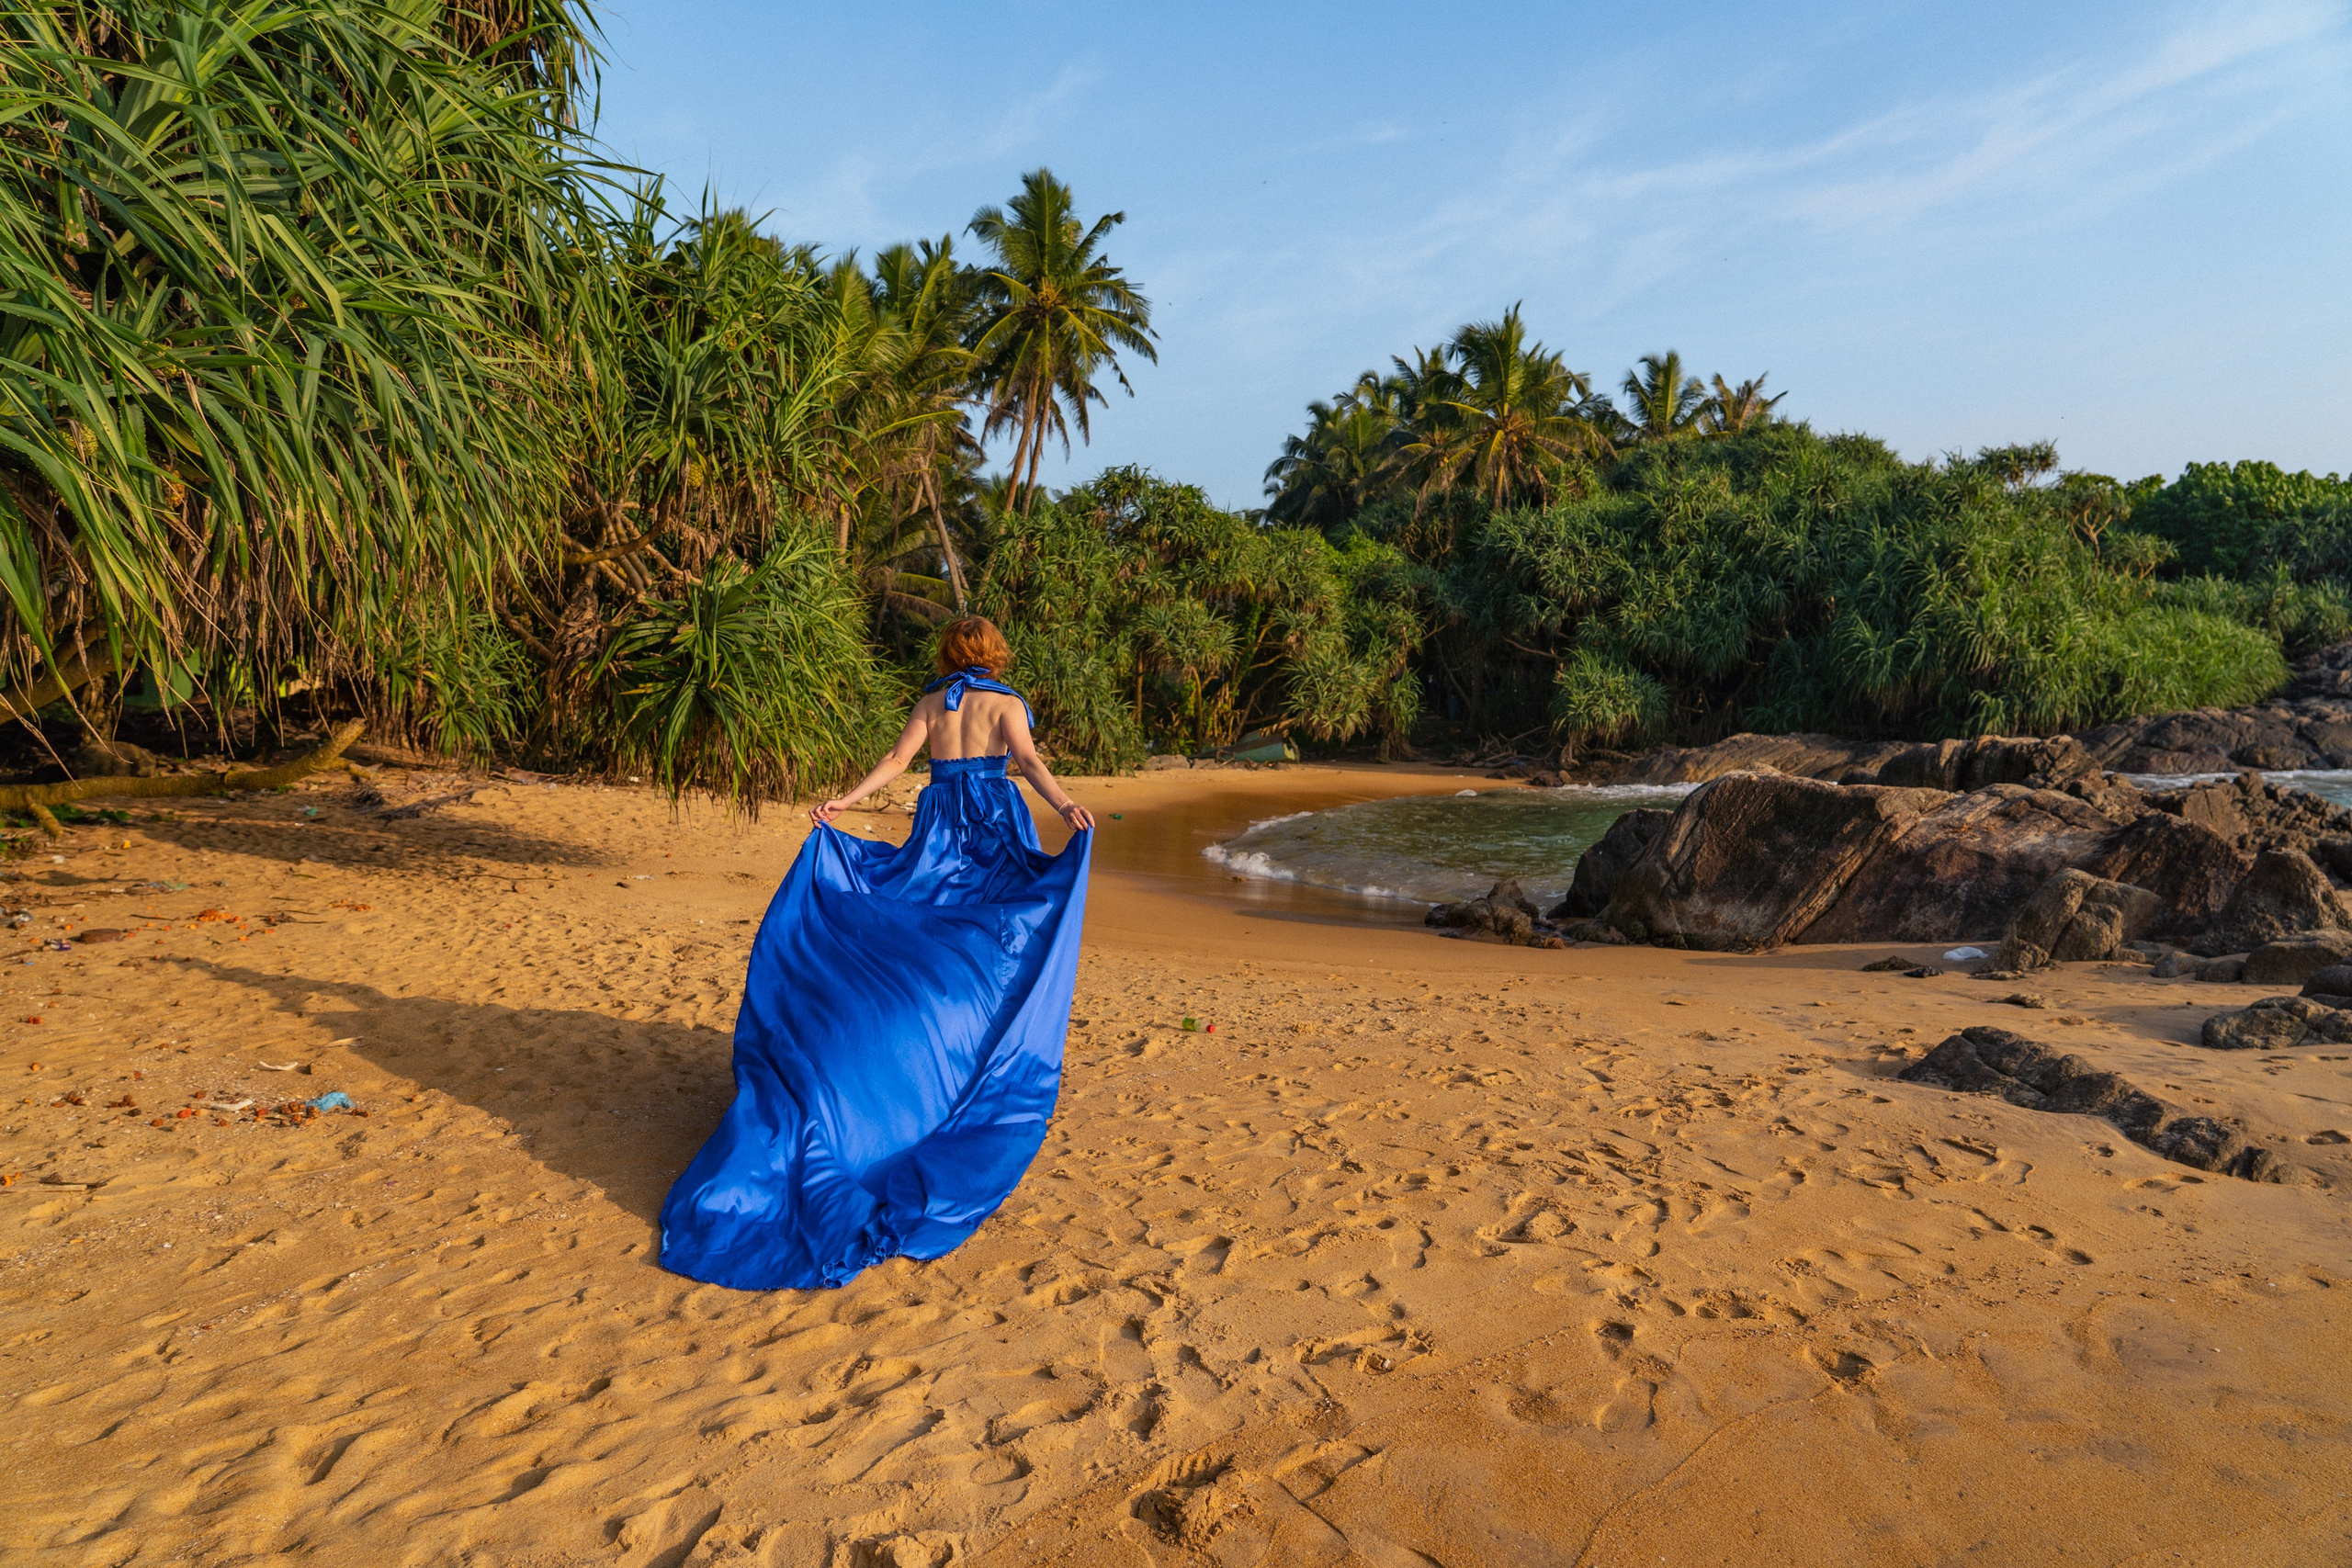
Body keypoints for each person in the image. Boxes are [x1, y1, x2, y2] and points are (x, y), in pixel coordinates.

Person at [658, 617, 1096, 1291]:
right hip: (990, 834)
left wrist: (845, 801)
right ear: (995, 654)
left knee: (919, 926)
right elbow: (1030, 764)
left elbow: (895, 765)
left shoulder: (930, 703)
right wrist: (1066, 807)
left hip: (940, 834)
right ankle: (968, 1064)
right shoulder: (1006, 704)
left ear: (949, 652)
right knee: (1000, 938)